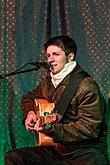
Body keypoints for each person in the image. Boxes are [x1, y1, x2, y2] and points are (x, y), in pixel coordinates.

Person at [4, 35, 108, 165]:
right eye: (48, 55)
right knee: (13, 157)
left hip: (86, 152)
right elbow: (28, 98)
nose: (50, 59)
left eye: (56, 54)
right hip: (59, 150)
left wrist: (52, 129)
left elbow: (90, 128)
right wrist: (29, 113)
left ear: (70, 57)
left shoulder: (86, 85)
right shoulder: (48, 81)